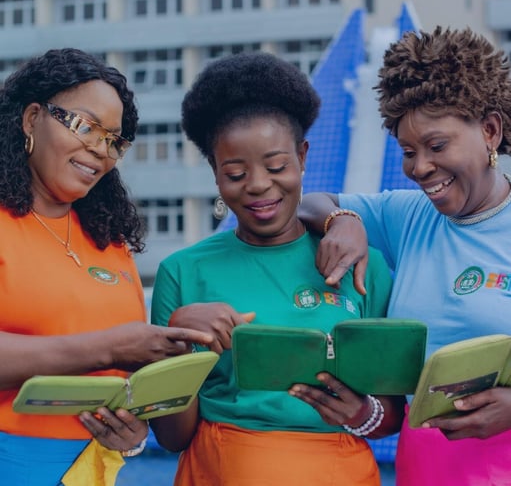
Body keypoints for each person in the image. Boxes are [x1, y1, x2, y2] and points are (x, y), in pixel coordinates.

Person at [149, 51, 405, 486]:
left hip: (341, 472)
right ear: (214, 173)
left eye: (276, 166)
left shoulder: (363, 265)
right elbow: (172, 437)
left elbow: (392, 414)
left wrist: (362, 413)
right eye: (235, 172)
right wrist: (182, 345)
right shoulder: (182, 271)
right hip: (221, 471)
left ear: (303, 157)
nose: (258, 185)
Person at [298, 26, 511, 485]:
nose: (419, 168)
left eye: (436, 146)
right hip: (426, 461)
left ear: (490, 131)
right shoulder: (407, 215)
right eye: (408, 151)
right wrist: (344, 219)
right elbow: (310, 203)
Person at [0, 48, 214, 486]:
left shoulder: (109, 241)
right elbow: (113, 348)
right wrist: (109, 348)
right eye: (84, 125)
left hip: (89, 470)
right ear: (31, 119)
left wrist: (130, 431)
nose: (99, 149)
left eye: (114, 140)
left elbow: (126, 376)